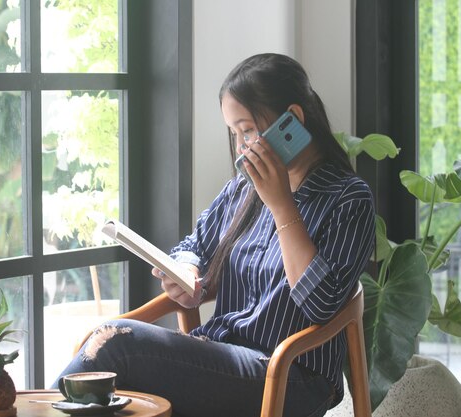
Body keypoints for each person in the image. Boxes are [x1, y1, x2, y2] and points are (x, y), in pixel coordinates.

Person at [55, 53, 375, 417]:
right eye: (235, 133)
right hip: (222, 356)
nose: (241, 146)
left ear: (293, 120)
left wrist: (283, 206)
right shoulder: (243, 189)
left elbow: (321, 304)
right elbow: (194, 246)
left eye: (248, 129)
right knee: (114, 386)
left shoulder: (348, 198)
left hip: (290, 376)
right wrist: (189, 272)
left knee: (115, 344)